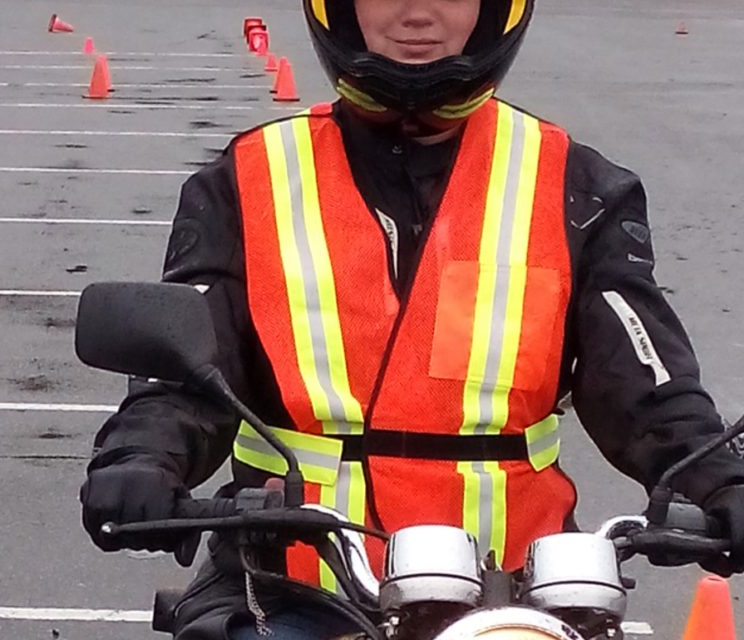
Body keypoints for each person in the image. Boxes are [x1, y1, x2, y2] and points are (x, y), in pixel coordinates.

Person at [79, 0, 744, 638]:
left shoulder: (578, 188)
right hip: (295, 589)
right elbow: (189, 368)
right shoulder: (248, 179)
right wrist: (140, 461)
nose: (418, 12)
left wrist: (721, 482)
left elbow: (648, 389)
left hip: (513, 595)